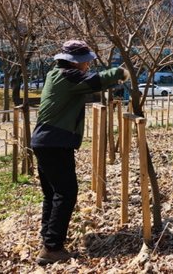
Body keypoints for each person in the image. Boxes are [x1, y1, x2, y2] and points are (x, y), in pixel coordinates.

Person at [31, 40, 128, 265]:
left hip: (44, 141)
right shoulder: (68, 76)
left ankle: (48, 240)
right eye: (86, 62)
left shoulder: (55, 75)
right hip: (55, 143)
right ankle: (52, 248)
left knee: (53, 193)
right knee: (66, 193)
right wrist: (122, 73)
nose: (88, 66)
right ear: (77, 63)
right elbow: (97, 81)